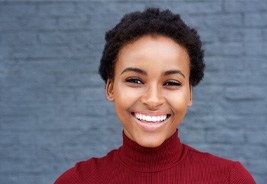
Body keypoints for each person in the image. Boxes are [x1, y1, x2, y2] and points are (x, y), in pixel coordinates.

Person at [54, 8, 256, 184]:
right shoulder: (76, 181)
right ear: (110, 88)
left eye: (171, 83)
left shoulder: (231, 179)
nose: (152, 100)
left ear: (189, 94)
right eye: (134, 80)